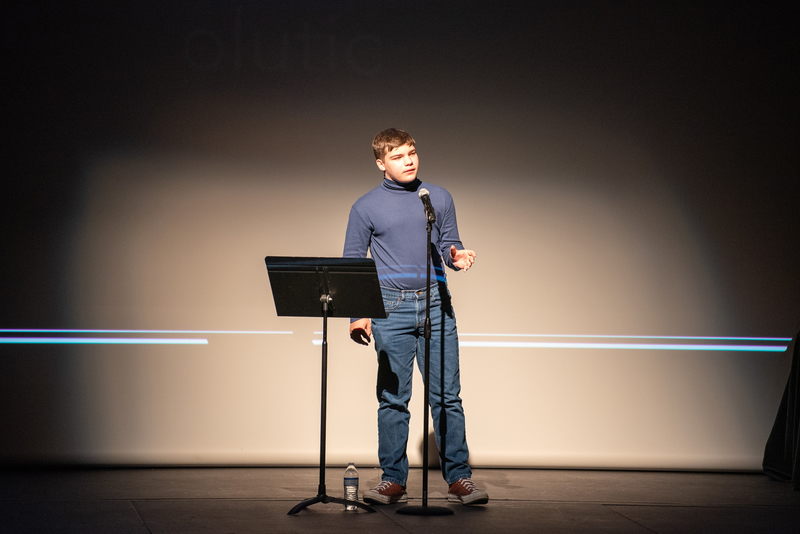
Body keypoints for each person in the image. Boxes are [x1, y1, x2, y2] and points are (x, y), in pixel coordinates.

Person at [342, 128, 489, 506]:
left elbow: (449, 244)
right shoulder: (365, 206)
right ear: (381, 163)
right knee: (393, 398)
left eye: (411, 153)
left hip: (436, 304)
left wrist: (457, 257)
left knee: (446, 396)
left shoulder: (436, 197)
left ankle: (459, 478)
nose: (408, 161)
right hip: (390, 307)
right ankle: (393, 480)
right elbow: (355, 263)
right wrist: (360, 315)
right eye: (397, 157)